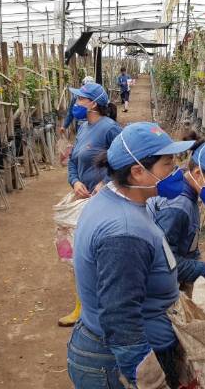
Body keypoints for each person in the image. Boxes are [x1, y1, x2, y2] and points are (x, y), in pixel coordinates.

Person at [68, 122, 195, 388]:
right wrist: (149, 381)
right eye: (168, 165)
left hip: (108, 352)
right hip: (113, 365)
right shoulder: (124, 233)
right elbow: (120, 318)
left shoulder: (118, 200)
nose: (177, 172)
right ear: (138, 172)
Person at [59, 82, 122, 327]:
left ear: (93, 104)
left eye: (80, 99)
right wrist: (74, 182)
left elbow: (121, 160)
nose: (76, 103)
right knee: (78, 252)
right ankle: (82, 306)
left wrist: (104, 182)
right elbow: (74, 160)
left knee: (92, 253)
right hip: (82, 198)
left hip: (103, 202)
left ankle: (96, 309)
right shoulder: (83, 127)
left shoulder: (110, 129)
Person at [148, 135, 205, 287]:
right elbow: (162, 261)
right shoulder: (177, 207)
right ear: (198, 173)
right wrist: (200, 270)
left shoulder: (185, 190)